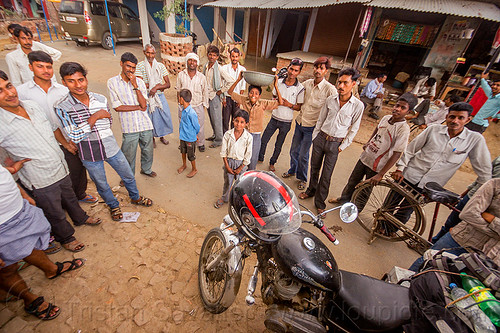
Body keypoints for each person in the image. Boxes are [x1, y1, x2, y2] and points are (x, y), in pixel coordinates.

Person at [0, 70, 100, 253]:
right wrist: (9, 170)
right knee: (54, 210)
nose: (10, 93)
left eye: (8, 86)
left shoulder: (31, 106)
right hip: (39, 177)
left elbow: (53, 128)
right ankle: (66, 237)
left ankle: (80, 218)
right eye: (1, 91)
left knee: (70, 197)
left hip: (60, 165)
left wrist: (67, 146)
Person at [56, 62, 153, 222]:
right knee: (101, 184)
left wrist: (91, 122)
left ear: (86, 79)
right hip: (89, 153)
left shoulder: (100, 99)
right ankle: (113, 205)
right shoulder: (62, 107)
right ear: (64, 82)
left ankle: (135, 197)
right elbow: (74, 135)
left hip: (110, 147)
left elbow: (108, 121)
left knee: (128, 175)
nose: (77, 85)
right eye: (71, 81)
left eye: (80, 80)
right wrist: (94, 118)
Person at [387, 102, 491, 233]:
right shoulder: (433, 129)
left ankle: (389, 231)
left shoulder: (474, 139)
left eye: (460, 118)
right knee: (389, 204)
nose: (455, 121)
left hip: (429, 186)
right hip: (409, 175)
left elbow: (484, 169)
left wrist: (484, 195)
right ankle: (379, 225)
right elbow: (411, 149)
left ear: (468, 119)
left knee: (406, 211)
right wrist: (400, 169)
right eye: (452, 117)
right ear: (447, 117)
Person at [0, 165, 84, 320]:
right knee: (6, 268)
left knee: (30, 244)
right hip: (2, 227)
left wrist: (23, 194)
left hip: (19, 210)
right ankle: (29, 300)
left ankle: (51, 269)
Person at [17, 51, 97, 204]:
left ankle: (80, 194)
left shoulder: (63, 90)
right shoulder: (22, 92)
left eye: (48, 67)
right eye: (40, 66)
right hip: (42, 142)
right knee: (50, 175)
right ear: (30, 67)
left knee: (77, 169)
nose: (46, 71)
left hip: (68, 138)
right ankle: (61, 202)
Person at [329, 93, 417, 205]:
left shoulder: (403, 129)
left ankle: (356, 209)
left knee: (365, 188)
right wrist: (369, 142)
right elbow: (377, 129)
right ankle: (343, 201)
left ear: (408, 112)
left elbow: (397, 153)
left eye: (402, 108)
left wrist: (380, 174)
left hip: (377, 166)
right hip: (366, 156)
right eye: (397, 105)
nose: (397, 109)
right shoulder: (386, 118)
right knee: (352, 181)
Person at [299, 68, 364, 216]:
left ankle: (320, 203)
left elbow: (354, 128)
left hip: (335, 144)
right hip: (321, 138)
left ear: (353, 83)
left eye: (345, 83)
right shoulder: (331, 100)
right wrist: (315, 137)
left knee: (326, 174)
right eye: (339, 82)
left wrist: (343, 146)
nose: (341, 86)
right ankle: (311, 190)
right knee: (314, 168)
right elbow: (321, 120)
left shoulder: (358, 105)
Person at [409, 178, 500, 271]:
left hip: (492, 259)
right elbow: (469, 214)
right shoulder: (495, 184)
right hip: (462, 240)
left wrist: (493, 220)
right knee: (426, 263)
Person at [283, 57, 337, 190]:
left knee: (303, 154)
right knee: (294, 150)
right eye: (316, 67)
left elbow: (335, 107)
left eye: (321, 68)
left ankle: (302, 178)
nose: (318, 70)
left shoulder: (330, 90)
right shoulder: (306, 84)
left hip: (312, 127)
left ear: (326, 71)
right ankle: (292, 170)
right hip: (300, 122)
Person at [108, 52, 156, 178]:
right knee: (128, 154)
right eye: (128, 66)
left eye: (133, 67)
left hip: (145, 123)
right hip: (129, 127)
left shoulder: (139, 82)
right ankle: (128, 177)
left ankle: (146, 169)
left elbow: (144, 105)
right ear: (121, 64)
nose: (131, 70)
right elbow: (118, 107)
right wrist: (137, 107)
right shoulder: (112, 82)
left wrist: (135, 86)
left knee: (148, 151)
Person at [432, 155, 500, 244]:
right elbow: (483, 175)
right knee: (450, 223)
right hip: (471, 196)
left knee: (464, 229)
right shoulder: (498, 159)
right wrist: (465, 193)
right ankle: (434, 243)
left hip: (485, 207)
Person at [228, 72, 283, 170]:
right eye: (251, 93)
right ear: (248, 93)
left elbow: (280, 102)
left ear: (260, 96)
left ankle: (250, 177)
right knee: (241, 156)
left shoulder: (263, 103)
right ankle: (241, 176)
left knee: (253, 159)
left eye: (256, 93)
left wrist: (275, 85)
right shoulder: (244, 100)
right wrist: (238, 79)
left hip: (256, 135)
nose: (253, 95)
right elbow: (230, 92)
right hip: (244, 133)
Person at [259, 58, 305, 171]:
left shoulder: (300, 88)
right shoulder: (278, 82)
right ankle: (260, 157)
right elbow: (274, 97)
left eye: (296, 71)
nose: (292, 73)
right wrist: (278, 101)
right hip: (274, 118)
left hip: (286, 122)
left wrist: (289, 104)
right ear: (288, 68)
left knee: (278, 144)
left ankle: (272, 163)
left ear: (299, 72)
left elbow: (298, 107)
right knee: (264, 139)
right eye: (291, 69)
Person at [135, 44, 173, 147]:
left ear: (155, 54)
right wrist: (159, 84)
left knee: (164, 116)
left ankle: (162, 136)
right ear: (144, 52)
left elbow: (168, 84)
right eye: (148, 52)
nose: (150, 55)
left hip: (159, 96)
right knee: (149, 118)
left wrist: (155, 88)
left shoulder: (160, 66)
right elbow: (140, 83)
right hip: (147, 97)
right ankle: (151, 138)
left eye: (152, 53)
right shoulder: (140, 66)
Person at [214, 110, 252, 209]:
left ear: (246, 124)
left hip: (241, 164)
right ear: (233, 121)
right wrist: (227, 165)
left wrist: (241, 167)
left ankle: (239, 202)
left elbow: (248, 155)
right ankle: (224, 198)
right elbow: (223, 152)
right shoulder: (228, 134)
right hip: (229, 162)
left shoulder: (248, 137)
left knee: (241, 184)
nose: (238, 124)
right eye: (236, 121)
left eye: (242, 122)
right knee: (227, 182)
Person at [175, 53, 208, 152]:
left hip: (197, 105)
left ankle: (200, 143)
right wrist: (180, 104)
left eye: (194, 61)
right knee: (184, 126)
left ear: (197, 63)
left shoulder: (201, 77)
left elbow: (205, 92)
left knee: (199, 126)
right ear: (187, 62)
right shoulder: (181, 75)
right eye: (190, 60)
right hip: (184, 107)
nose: (192, 63)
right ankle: (184, 143)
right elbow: (178, 91)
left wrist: (204, 106)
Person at [203, 45, 234, 148]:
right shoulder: (206, 66)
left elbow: (230, 81)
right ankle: (215, 135)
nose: (212, 57)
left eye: (214, 55)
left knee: (217, 119)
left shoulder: (219, 69)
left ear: (217, 57)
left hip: (214, 97)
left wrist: (221, 91)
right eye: (210, 54)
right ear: (207, 55)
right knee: (211, 118)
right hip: (207, 96)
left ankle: (219, 140)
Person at [221, 47, 246, 133]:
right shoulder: (224, 68)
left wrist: (240, 99)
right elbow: (222, 84)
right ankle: (225, 137)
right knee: (225, 119)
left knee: (235, 120)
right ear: (230, 57)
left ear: (239, 57)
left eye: (236, 56)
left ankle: (233, 137)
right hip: (227, 97)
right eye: (233, 56)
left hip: (237, 98)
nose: (234, 58)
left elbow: (243, 86)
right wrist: (223, 98)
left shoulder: (243, 70)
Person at [177, 89, 200, 178]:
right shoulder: (184, 109)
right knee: (183, 151)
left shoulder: (191, 113)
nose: (178, 99)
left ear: (182, 99)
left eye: (179, 98)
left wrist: (195, 135)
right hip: (183, 136)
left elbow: (197, 126)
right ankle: (184, 165)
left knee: (191, 155)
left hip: (190, 138)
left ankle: (194, 169)